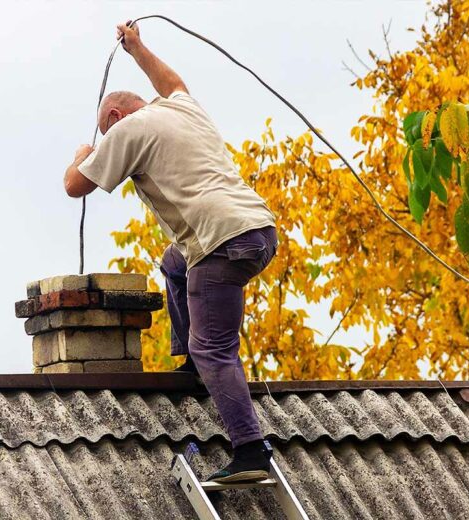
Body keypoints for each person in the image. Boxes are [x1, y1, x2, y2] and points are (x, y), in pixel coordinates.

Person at [63, 21, 278, 483]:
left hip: (218, 244)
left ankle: (249, 451)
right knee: (173, 260)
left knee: (215, 348)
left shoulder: (126, 130)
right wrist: (137, 48)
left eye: (106, 130)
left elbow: (74, 186)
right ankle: (192, 362)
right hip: (258, 230)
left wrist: (83, 152)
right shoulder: (181, 106)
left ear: (115, 119)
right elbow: (172, 81)